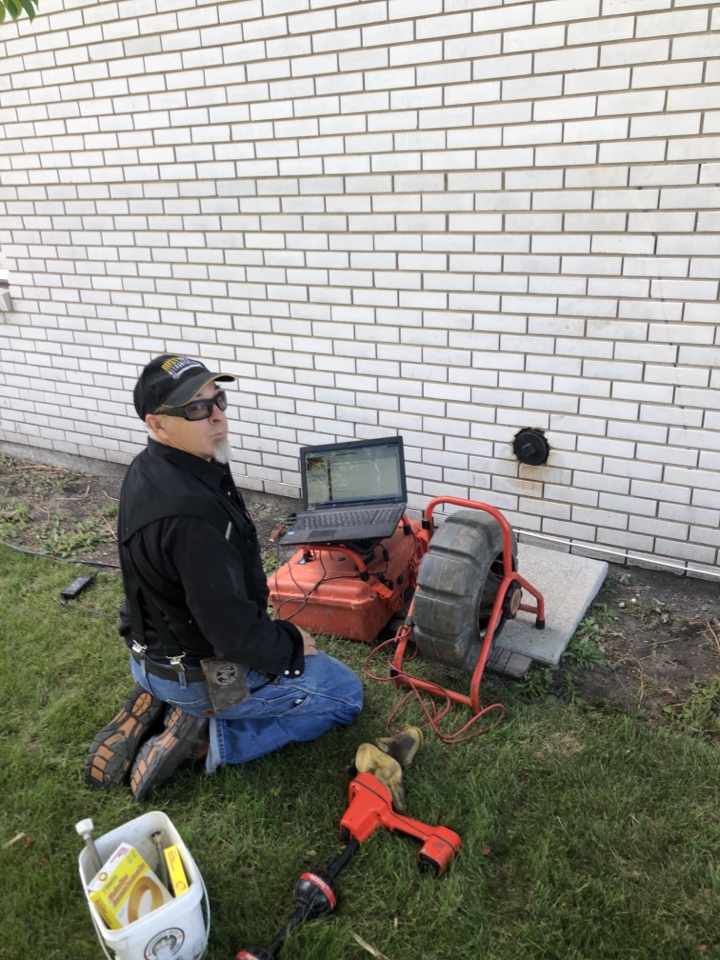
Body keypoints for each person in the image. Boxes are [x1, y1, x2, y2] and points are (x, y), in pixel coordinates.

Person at [85, 355, 363, 801]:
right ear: (157, 424)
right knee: (345, 695)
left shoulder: (151, 467)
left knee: (231, 659)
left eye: (219, 400)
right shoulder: (193, 520)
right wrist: (290, 643)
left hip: (150, 653)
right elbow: (234, 638)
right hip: (203, 674)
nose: (217, 415)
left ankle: (165, 699)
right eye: (196, 408)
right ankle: (208, 737)